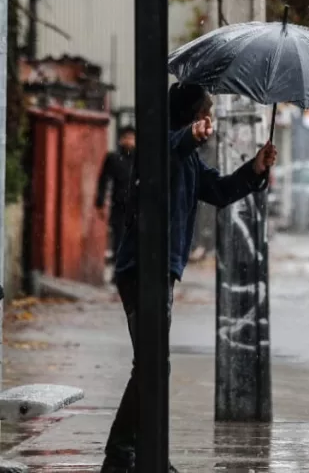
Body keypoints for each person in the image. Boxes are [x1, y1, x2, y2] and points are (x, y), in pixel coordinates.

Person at [100, 83, 278, 473]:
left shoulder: (190, 161)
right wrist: (188, 136)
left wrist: (255, 168)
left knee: (152, 365)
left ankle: (139, 455)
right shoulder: (159, 146)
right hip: (141, 271)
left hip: (160, 272)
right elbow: (170, 147)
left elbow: (218, 190)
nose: (210, 121)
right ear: (191, 117)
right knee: (152, 365)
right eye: (206, 114)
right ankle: (124, 455)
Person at [96, 126, 137, 271]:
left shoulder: (140, 160)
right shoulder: (113, 158)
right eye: (126, 138)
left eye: (132, 138)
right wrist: (100, 202)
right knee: (119, 238)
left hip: (137, 207)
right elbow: (103, 180)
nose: (129, 142)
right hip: (119, 205)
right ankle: (119, 269)